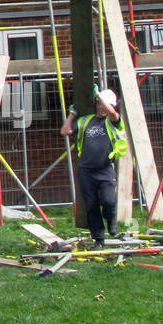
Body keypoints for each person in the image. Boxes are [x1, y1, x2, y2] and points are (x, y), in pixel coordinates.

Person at [61, 87, 128, 249]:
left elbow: (112, 112)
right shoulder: (86, 121)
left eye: (106, 105)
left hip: (105, 169)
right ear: (97, 105)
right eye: (100, 104)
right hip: (86, 171)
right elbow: (65, 131)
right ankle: (99, 239)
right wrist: (72, 114)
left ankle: (111, 221)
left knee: (109, 201)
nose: (103, 108)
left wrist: (98, 94)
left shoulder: (113, 121)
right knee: (91, 205)